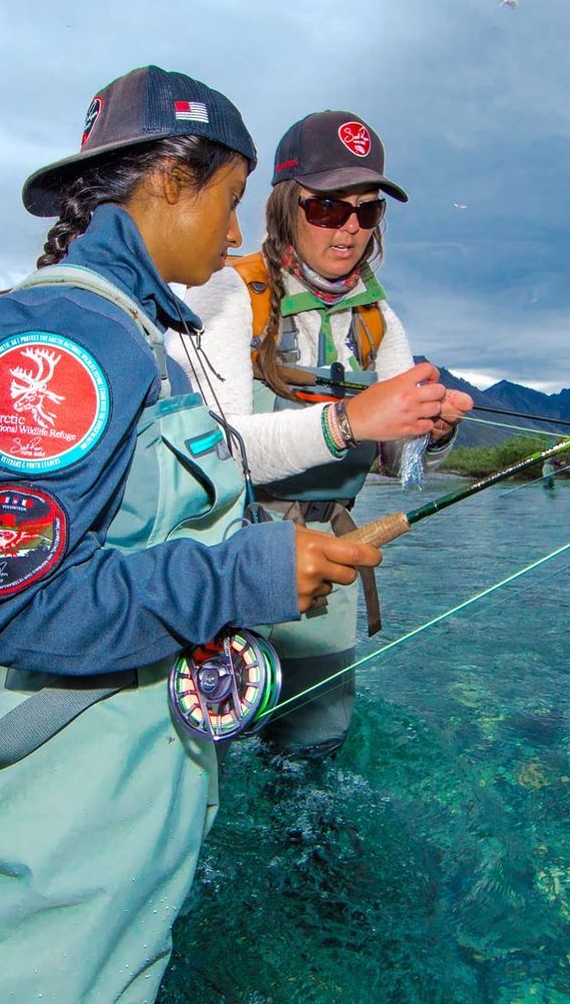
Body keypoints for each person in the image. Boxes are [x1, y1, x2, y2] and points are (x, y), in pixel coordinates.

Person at [0, 67, 381, 1003]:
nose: (231, 235)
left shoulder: (140, 332)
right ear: (171, 180)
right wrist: (245, 575)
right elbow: (15, 610)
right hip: (69, 804)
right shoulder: (62, 336)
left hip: (127, 783)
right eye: (227, 200)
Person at [167, 109, 472, 758]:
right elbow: (221, 453)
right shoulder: (227, 291)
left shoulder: (377, 317)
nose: (351, 229)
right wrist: (349, 421)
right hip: (227, 558)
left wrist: (429, 434)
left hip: (330, 561)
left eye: (366, 212)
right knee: (201, 754)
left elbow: (398, 465)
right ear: (283, 206)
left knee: (316, 752)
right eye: (327, 209)